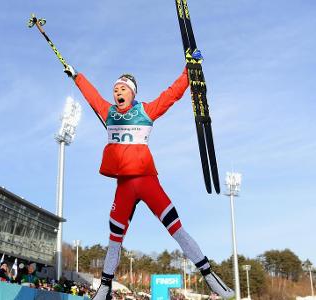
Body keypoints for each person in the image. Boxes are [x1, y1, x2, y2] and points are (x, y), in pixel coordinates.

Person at [63, 62, 235, 300]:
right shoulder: (108, 112)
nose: (118, 92)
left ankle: (209, 276)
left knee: (176, 229)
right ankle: (105, 286)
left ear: (132, 92)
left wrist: (189, 71)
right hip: (124, 186)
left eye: (123, 89)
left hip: (147, 181)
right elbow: (91, 95)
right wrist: (76, 76)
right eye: (115, 89)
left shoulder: (145, 111)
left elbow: (171, 95)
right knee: (114, 239)